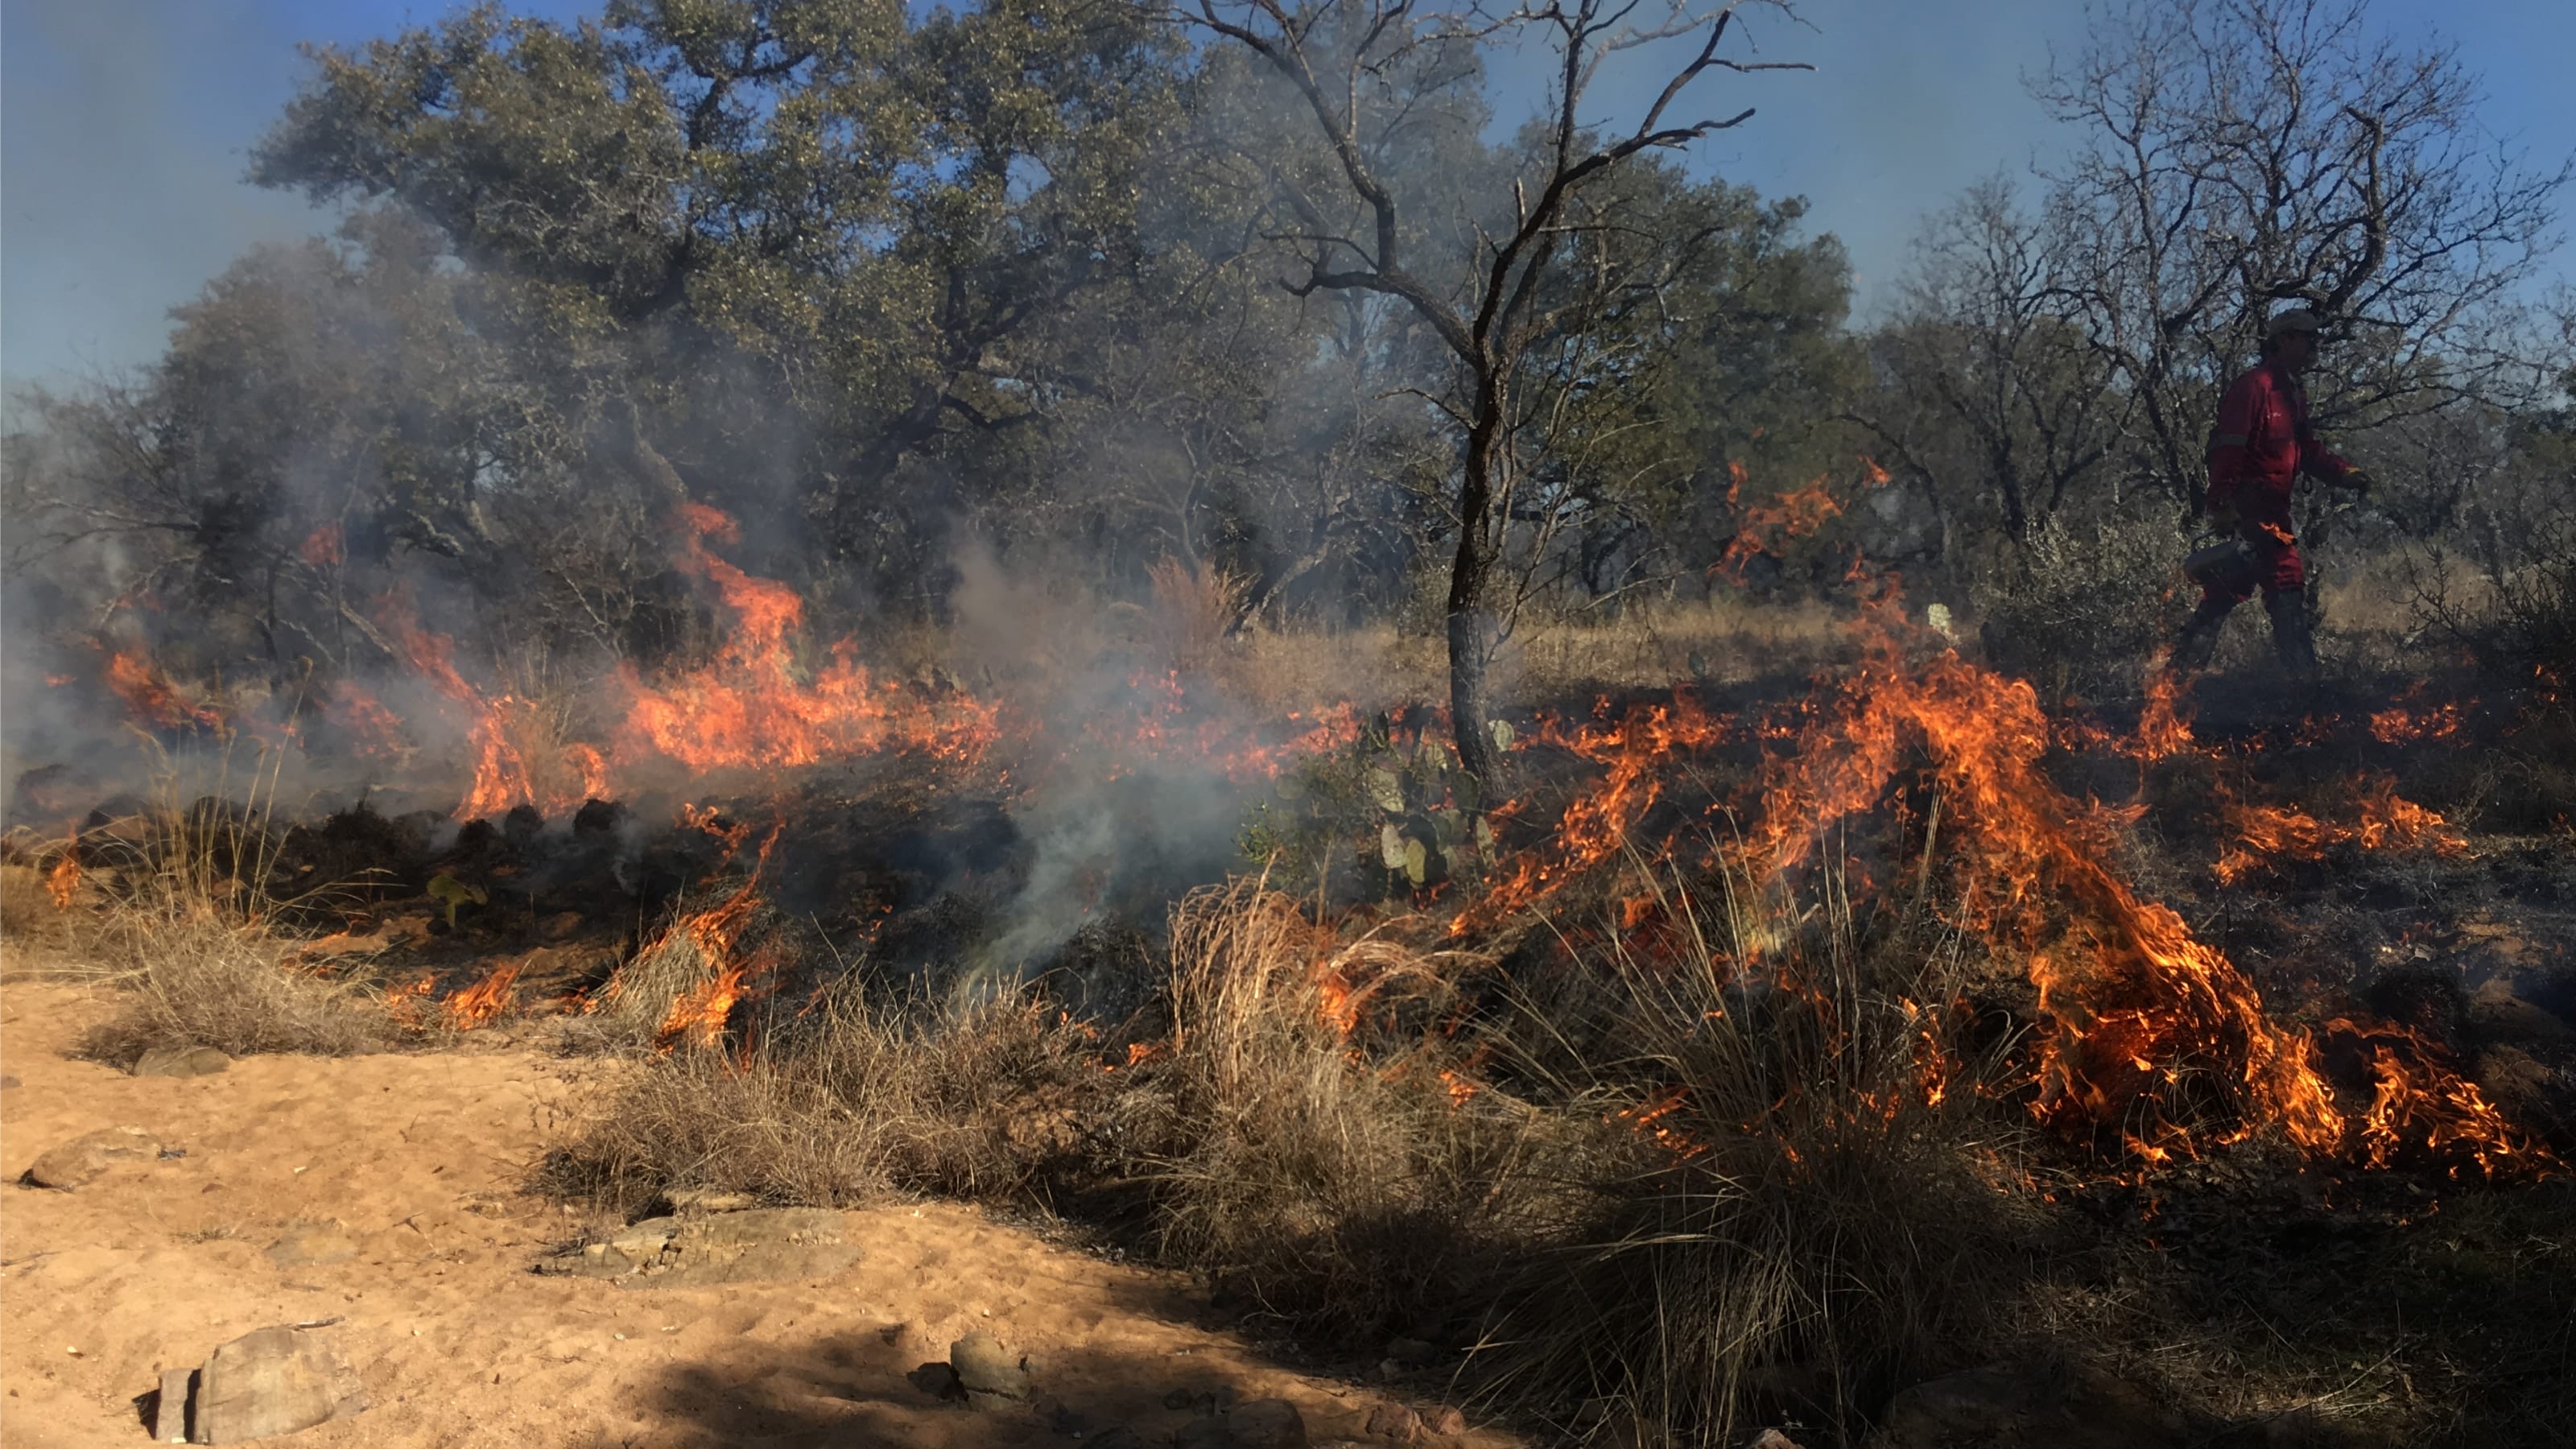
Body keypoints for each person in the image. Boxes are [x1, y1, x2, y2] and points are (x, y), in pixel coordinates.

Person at [2174, 308, 2376, 673]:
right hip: (2249, 513)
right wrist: (2221, 503)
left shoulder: (2292, 393)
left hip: (2274, 514)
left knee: (2250, 590)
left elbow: (2308, 450)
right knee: (2262, 585)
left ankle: (2179, 684)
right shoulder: (2254, 387)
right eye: (2307, 337)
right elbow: (2228, 447)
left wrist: (2345, 473)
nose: (2315, 345)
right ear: (2284, 340)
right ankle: (2301, 685)